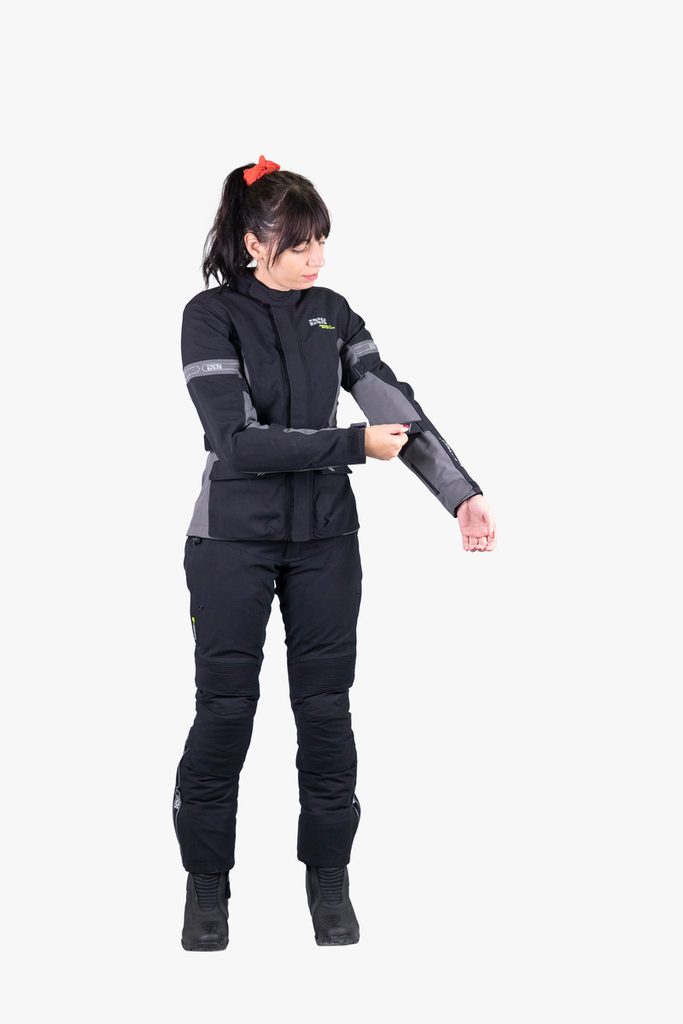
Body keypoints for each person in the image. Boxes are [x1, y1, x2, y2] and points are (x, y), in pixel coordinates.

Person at [172, 154, 496, 951]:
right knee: (225, 710)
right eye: (299, 243)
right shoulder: (209, 316)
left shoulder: (333, 312)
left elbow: (393, 406)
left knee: (324, 711)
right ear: (254, 243)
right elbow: (235, 441)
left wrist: (460, 493)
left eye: (321, 239)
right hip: (230, 542)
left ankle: (328, 877)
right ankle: (206, 882)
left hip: (325, 541)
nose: (316, 256)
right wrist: (352, 443)